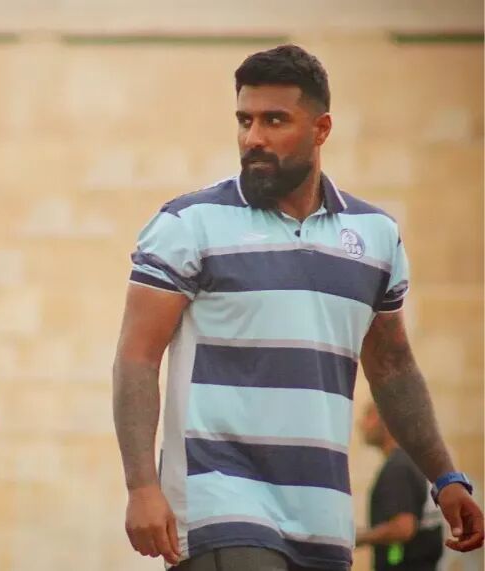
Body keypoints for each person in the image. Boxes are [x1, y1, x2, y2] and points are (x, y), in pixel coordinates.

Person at [112, 44, 483, 571]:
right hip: (220, 508)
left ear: (321, 129)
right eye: (244, 120)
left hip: (324, 521)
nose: (253, 137)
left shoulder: (375, 236)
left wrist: (444, 478)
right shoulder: (188, 225)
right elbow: (137, 357)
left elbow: (393, 367)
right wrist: (141, 487)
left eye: (274, 120)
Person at [356, 402, 444, 571]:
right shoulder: (413, 461)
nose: (362, 424)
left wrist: (358, 538)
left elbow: (404, 527)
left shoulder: (398, 467)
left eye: (369, 415)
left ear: (389, 420)